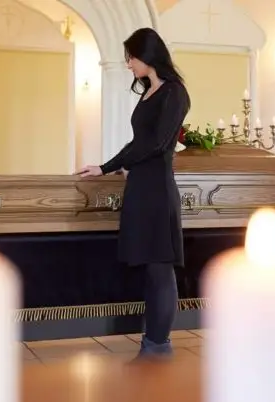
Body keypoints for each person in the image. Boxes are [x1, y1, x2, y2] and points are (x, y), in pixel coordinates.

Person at [75, 27, 190, 362]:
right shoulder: (149, 92)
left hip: (157, 189)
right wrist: (105, 166)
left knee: (160, 269)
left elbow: (155, 144)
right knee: (150, 270)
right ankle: (151, 343)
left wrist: (110, 166)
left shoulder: (174, 92)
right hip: (141, 186)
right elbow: (138, 142)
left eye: (132, 57)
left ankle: (158, 347)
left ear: (148, 54)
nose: (128, 64)